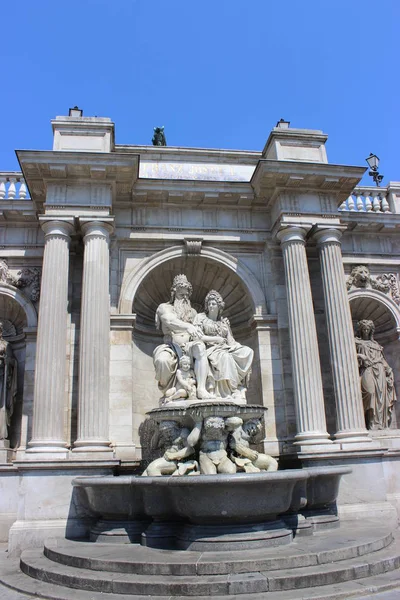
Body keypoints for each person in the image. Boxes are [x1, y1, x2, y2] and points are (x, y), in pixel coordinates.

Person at [153, 274, 211, 401]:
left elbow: (201, 331)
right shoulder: (164, 307)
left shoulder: (193, 312)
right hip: (171, 346)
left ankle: (201, 388)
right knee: (162, 360)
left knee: (200, 347)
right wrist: (187, 327)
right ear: (174, 293)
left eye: (187, 295)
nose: (185, 298)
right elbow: (169, 320)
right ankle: (165, 388)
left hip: (189, 346)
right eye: (181, 295)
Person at [195, 290, 253, 401]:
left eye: (214, 304)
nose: (211, 306)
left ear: (219, 306)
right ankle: (228, 392)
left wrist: (228, 329)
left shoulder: (223, 322)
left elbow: (231, 342)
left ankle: (235, 389)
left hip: (225, 348)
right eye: (209, 304)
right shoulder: (200, 318)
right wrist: (216, 339)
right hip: (208, 349)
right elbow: (197, 337)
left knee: (248, 351)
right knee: (226, 357)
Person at [355, 319, 397, 430]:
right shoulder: (357, 342)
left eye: (368, 329)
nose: (365, 331)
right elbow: (347, 354)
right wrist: (359, 355)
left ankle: (378, 424)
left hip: (380, 370)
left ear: (371, 331)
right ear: (360, 330)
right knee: (369, 392)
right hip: (367, 369)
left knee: (380, 398)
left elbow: (381, 359)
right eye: (363, 329)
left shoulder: (376, 344)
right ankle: (368, 421)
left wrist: (388, 369)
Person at [0, 322, 17, 441]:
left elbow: (13, 362)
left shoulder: (6, 345)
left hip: (2, 379)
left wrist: (6, 360)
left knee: (2, 406)